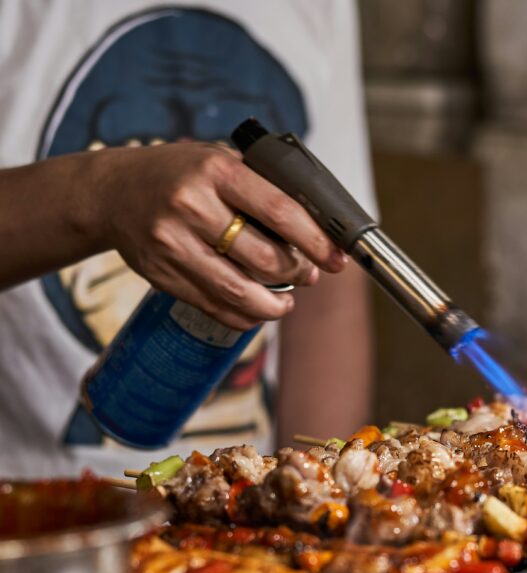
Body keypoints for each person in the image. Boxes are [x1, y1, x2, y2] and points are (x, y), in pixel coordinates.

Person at [0, 1, 377, 477]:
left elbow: (328, 299)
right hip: (26, 509)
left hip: (234, 519)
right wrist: (102, 196)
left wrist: (320, 504)